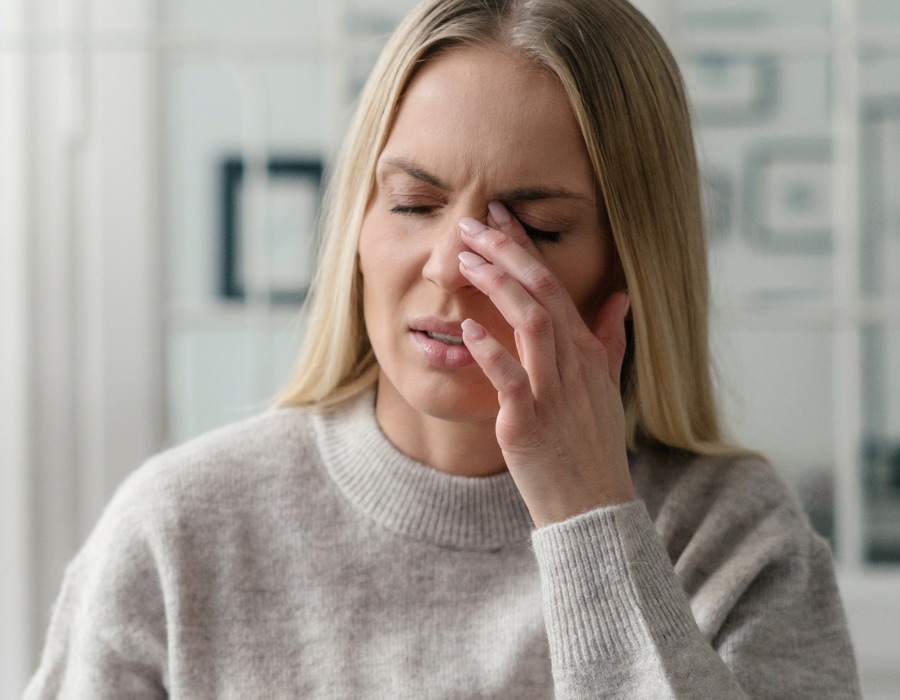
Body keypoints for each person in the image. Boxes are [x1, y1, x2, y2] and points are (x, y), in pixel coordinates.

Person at [25, 0, 861, 697]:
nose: (449, 271)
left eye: (531, 229)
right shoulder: (180, 531)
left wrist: (591, 516)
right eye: (414, 203)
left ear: (629, 265)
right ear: (357, 223)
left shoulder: (732, 536)